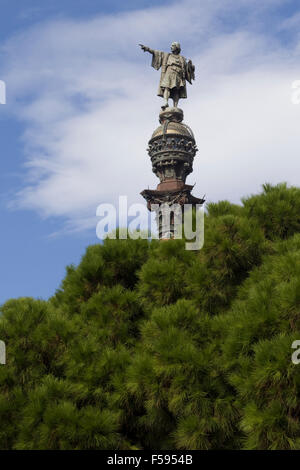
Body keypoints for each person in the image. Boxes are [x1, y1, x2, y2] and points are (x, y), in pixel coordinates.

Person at [139, 41, 195, 109]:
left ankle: (175, 106)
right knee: (166, 87)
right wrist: (147, 49)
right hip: (169, 72)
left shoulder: (182, 58)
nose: (171, 47)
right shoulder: (167, 55)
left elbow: (187, 69)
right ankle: (165, 102)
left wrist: (191, 67)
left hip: (178, 74)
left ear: (177, 47)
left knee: (176, 90)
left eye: (173, 46)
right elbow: (156, 53)